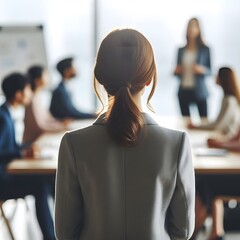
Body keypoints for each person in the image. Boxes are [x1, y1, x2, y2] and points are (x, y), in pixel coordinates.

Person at [55, 28, 195, 240]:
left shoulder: (73, 144)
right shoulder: (177, 143)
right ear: (149, 79)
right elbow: (182, 231)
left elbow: (65, 233)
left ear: (101, 79)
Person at [0, 73, 55, 240]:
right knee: (42, 184)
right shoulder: (3, 117)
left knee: (47, 179)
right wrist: (22, 153)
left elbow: (10, 146)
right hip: (3, 181)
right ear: (18, 94)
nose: (30, 94)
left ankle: (57, 229)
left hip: (7, 174)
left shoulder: (6, 113)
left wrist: (27, 147)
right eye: (27, 90)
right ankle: (51, 236)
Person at [174, 17, 211, 119]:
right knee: (186, 123)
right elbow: (177, 73)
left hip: (200, 91)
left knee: (204, 121)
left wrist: (201, 70)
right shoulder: (180, 50)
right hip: (183, 90)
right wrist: (176, 71)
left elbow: (210, 71)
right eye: (190, 26)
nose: (191, 29)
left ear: (199, 30)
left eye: (194, 26)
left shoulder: (205, 49)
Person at [23, 65, 69, 144]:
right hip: (32, 144)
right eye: (45, 75)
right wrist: (62, 127)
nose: (48, 78)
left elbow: (48, 119)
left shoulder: (39, 96)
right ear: (37, 80)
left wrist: (61, 124)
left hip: (42, 139)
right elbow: (40, 127)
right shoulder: (31, 101)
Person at [188, 67, 240, 135]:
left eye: (217, 75)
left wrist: (196, 126)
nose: (215, 77)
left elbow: (217, 126)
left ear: (223, 78)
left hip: (225, 138)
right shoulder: (228, 98)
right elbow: (218, 123)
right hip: (223, 136)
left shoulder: (229, 100)